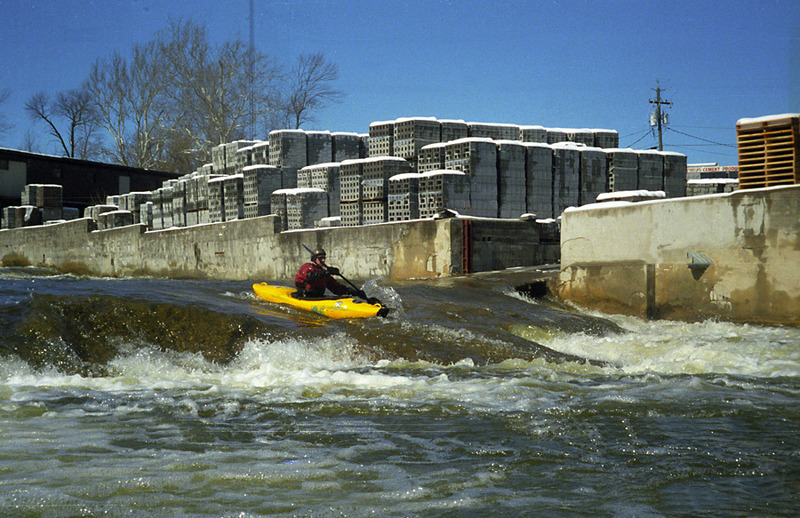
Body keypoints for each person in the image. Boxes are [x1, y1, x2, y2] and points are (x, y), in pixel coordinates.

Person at [294, 248, 365, 299]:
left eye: (324, 258)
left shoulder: (325, 275)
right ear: (314, 259)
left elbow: (336, 288)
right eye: (321, 258)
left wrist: (354, 292)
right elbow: (310, 277)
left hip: (318, 298)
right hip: (304, 297)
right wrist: (326, 272)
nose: (323, 260)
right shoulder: (307, 267)